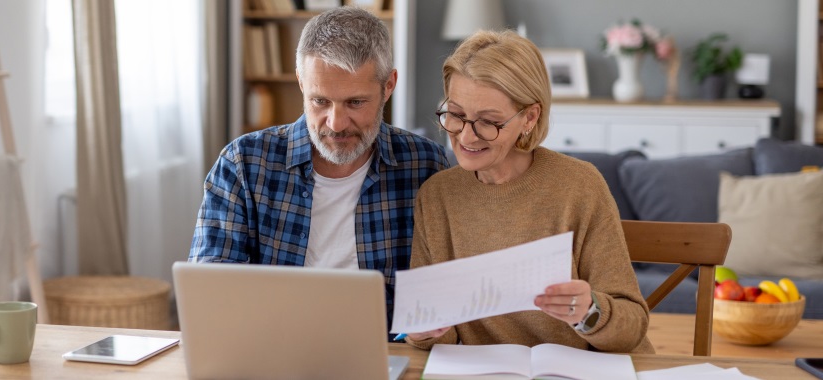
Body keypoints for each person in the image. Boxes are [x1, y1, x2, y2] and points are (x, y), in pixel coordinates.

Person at [189, 6, 449, 338]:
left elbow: (438, 290)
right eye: (320, 101)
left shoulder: (426, 165)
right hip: (271, 351)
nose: (336, 124)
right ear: (301, 83)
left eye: (355, 102)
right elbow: (210, 291)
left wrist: (420, 330)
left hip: (386, 354)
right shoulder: (242, 164)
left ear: (388, 86)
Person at [405, 30, 654, 353]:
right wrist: (425, 331)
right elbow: (439, 337)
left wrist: (589, 312)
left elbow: (631, 324)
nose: (466, 136)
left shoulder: (579, 186)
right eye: (456, 115)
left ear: (529, 117)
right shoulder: (437, 196)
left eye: (488, 121)